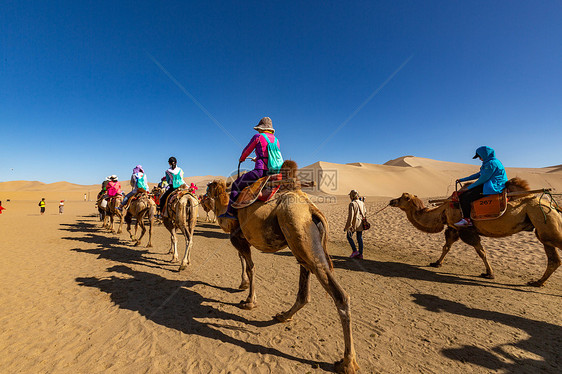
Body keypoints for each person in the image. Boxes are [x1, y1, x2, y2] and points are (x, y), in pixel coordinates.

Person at [219, 117, 282, 219]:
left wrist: (242, 159)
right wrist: (257, 159)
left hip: (260, 171)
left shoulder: (258, 136)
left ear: (260, 128)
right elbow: (270, 156)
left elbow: (247, 150)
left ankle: (230, 213)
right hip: (273, 173)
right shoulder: (276, 140)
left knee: (236, 185)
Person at [455, 146, 508, 227]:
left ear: (484, 155)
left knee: (464, 197)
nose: (479, 159)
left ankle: (467, 220)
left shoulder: (491, 164)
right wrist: (462, 180)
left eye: (480, 156)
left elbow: (483, 178)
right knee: (466, 194)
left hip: (494, 185)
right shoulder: (488, 162)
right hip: (489, 183)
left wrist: (468, 187)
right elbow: (479, 174)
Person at [344, 190, 367, 259]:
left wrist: (347, 226)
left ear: (352, 196)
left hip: (354, 223)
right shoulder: (362, 203)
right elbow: (365, 212)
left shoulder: (352, 204)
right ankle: (360, 254)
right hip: (361, 223)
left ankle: (355, 251)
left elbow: (351, 216)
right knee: (359, 237)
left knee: (349, 236)